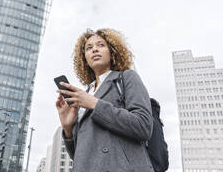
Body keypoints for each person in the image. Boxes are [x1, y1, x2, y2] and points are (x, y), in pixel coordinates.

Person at [55, 28, 154, 172]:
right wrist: (68, 128)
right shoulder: (86, 93)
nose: (94, 49)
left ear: (112, 52)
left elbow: (143, 126)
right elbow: (80, 155)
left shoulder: (126, 78)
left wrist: (94, 104)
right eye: (89, 48)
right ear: (85, 59)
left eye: (101, 45)